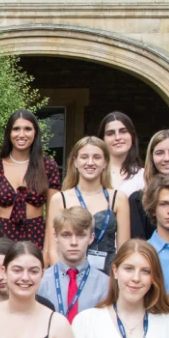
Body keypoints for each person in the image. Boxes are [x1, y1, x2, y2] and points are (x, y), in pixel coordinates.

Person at [0, 109, 61, 247]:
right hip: (3, 236)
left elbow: (54, 216)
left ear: (35, 133)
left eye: (27, 129)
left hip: (37, 236)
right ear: (9, 133)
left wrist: (49, 249)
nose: (21, 134)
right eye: (16, 129)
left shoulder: (47, 166)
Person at [47, 137, 126, 270]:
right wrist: (66, 279)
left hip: (108, 278)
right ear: (75, 162)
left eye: (96, 157)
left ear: (106, 162)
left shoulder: (118, 198)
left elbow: (124, 250)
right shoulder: (59, 199)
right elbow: (53, 250)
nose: (90, 162)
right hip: (70, 277)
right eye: (84, 157)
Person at [38, 207, 110, 321]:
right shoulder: (40, 281)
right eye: (66, 235)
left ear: (91, 238)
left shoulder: (106, 284)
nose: (73, 243)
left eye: (81, 235)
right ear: (55, 236)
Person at [99, 111, 146, 197]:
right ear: (102, 139)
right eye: (110, 133)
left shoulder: (143, 176)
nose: (118, 137)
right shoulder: (95, 172)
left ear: (132, 135)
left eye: (123, 131)